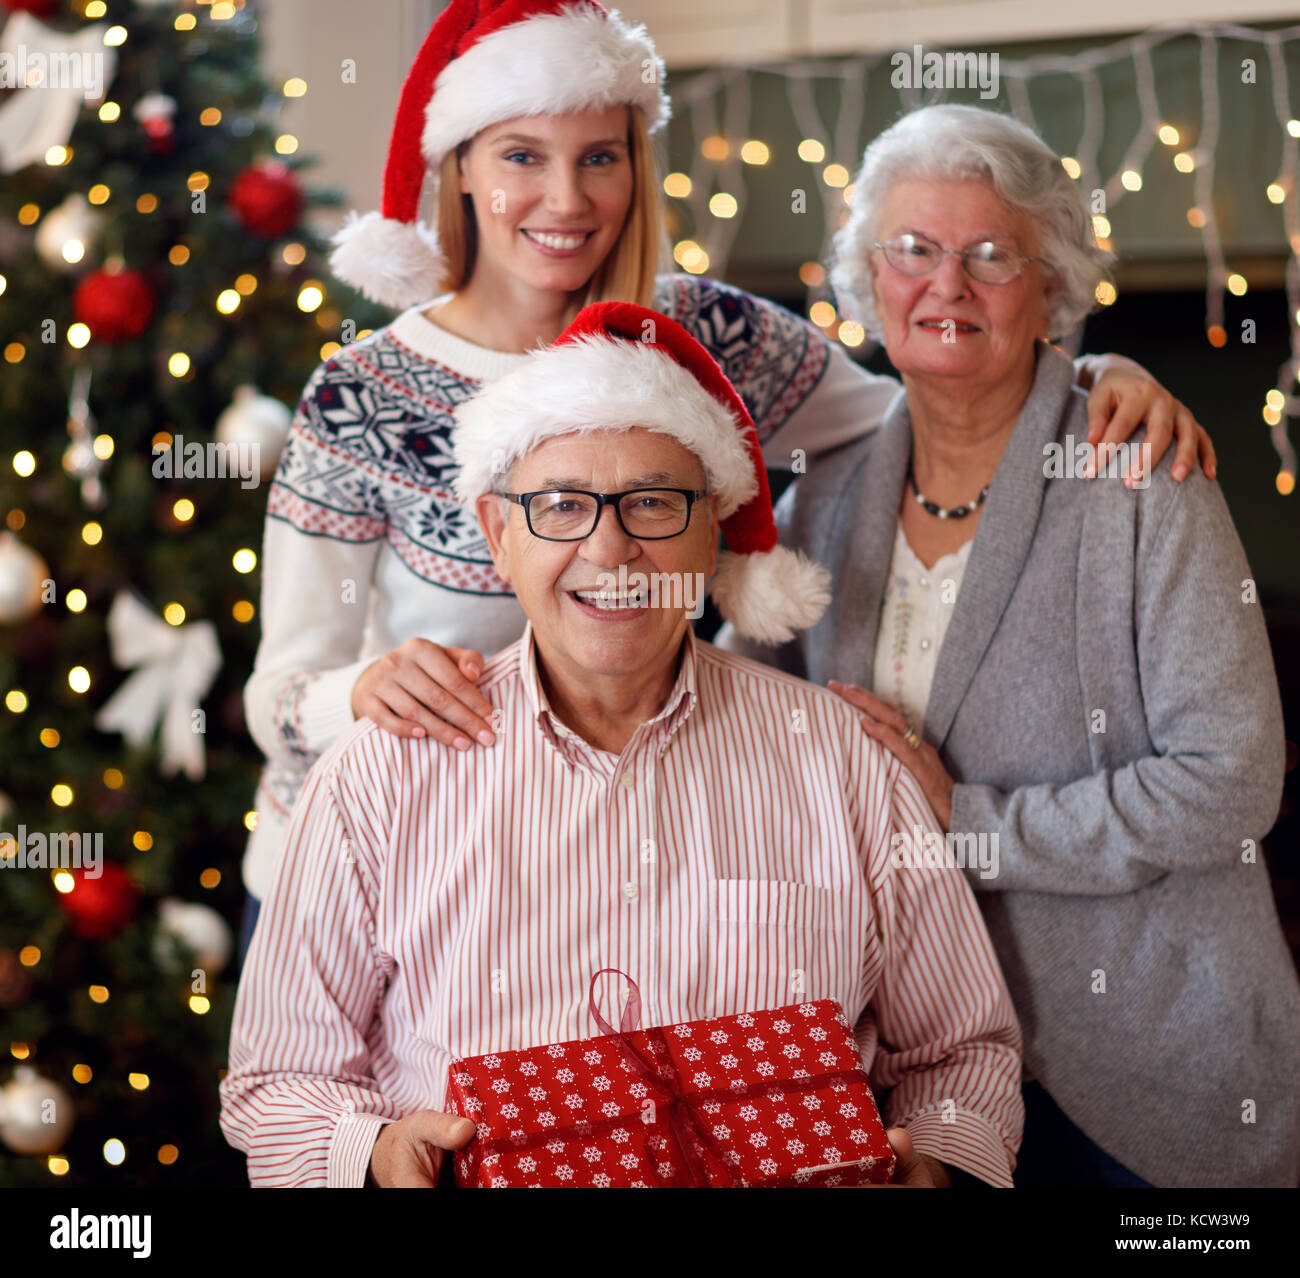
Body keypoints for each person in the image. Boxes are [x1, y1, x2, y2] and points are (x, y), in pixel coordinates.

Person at [238, 0, 1214, 961]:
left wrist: (1089, 379)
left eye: (600, 156)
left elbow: (929, 411)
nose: (568, 200)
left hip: (594, 892)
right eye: (521, 156)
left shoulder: (707, 336)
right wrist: (364, 689)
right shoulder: (359, 396)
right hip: (369, 888)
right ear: (458, 170)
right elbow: (276, 698)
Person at [219, 302, 1024, 1188]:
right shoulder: (381, 774)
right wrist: (373, 1154)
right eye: (562, 505)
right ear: (499, 531)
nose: (609, 548)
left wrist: (940, 1165)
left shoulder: (844, 762)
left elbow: (963, 1052)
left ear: (712, 526)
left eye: (651, 503)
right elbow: (277, 1083)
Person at [713, 103, 1300, 1188]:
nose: (948, 284)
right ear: (867, 278)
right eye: (914, 251)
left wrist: (968, 823)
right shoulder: (823, 499)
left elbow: (1230, 783)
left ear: (1051, 285)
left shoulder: (1141, 477)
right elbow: (719, 726)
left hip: (1146, 1067)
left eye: (991, 254)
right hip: (906, 1074)